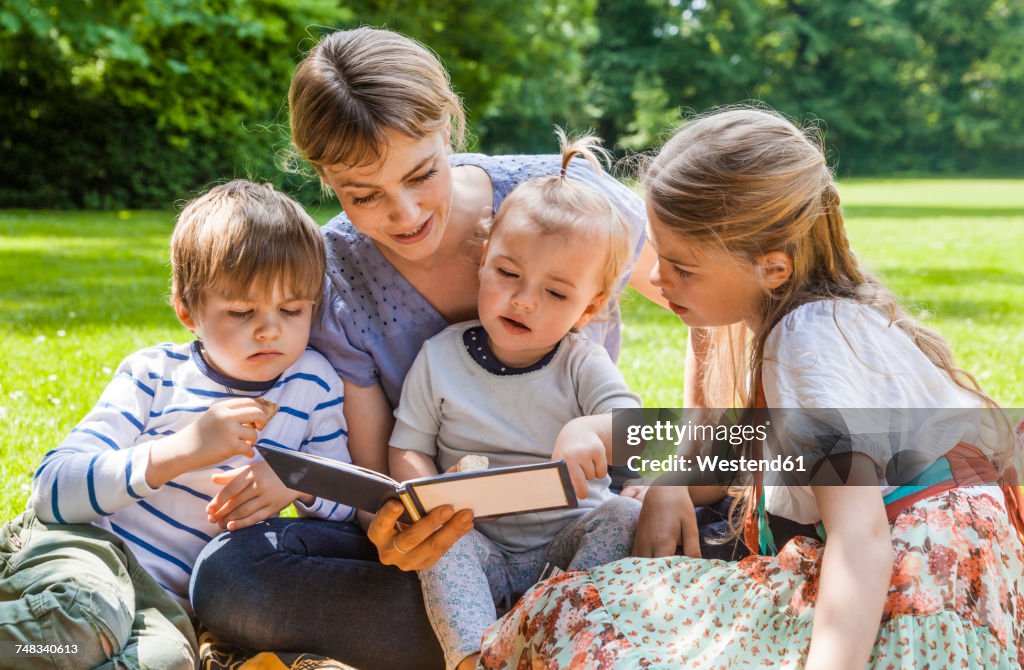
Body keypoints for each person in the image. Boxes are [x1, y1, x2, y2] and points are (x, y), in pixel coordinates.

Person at [478, 107, 1024, 668]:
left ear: (773, 268)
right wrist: (638, 458)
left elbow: (860, 541)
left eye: (683, 268)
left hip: (909, 604)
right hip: (948, 584)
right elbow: (743, 449)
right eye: (659, 256)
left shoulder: (806, 345)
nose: (660, 281)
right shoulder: (827, 321)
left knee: (573, 616)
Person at [190, 27, 664, 669]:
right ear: (324, 177)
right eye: (364, 195)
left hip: (583, 524)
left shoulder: (564, 199)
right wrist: (396, 529)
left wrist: (677, 486)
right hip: (453, 553)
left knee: (781, 468)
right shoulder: (337, 279)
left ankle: (547, 632)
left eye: (421, 174)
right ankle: (552, 641)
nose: (406, 213)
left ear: (448, 127)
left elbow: (713, 308)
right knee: (230, 576)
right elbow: (386, 469)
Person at [0, 180, 351, 669]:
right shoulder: (154, 375)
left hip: (165, 600)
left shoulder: (314, 385)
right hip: (89, 552)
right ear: (187, 309)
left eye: (292, 310)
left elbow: (346, 503)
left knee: (167, 663)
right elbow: (52, 490)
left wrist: (294, 483)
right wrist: (183, 450)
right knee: (83, 627)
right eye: (242, 311)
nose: (271, 329)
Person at [391, 131, 643, 670]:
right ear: (483, 259)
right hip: (477, 541)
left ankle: (563, 644)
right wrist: (425, 490)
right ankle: (476, 659)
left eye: (555, 293)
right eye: (507, 273)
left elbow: (640, 427)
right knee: (445, 546)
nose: (524, 300)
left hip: (566, 544)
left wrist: (592, 432)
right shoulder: (438, 358)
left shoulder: (579, 360)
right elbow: (407, 447)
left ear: (589, 306)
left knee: (622, 514)